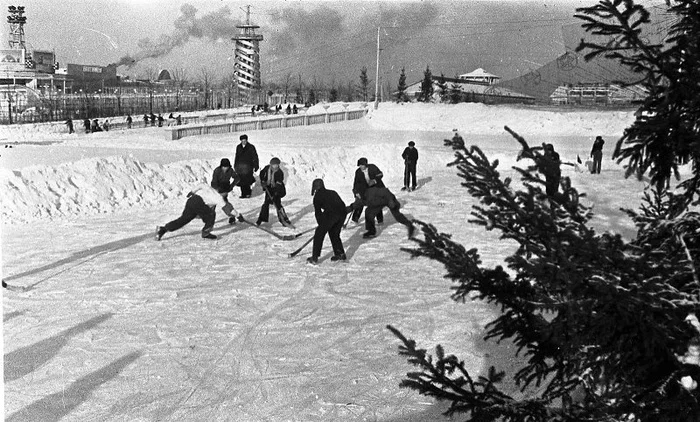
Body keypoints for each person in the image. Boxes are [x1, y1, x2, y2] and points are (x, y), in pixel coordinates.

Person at [156, 183, 242, 241]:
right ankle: (206, 232)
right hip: (199, 203)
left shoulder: (210, 189)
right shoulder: (218, 198)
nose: (226, 195)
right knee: (211, 214)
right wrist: (238, 215)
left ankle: (163, 229)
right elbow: (229, 209)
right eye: (226, 193)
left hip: (192, 200)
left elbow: (201, 185)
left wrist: (192, 191)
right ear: (223, 192)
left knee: (183, 219)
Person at [307, 179, 347, 264]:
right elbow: (340, 205)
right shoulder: (332, 192)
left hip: (332, 215)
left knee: (319, 233)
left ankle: (314, 258)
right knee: (334, 233)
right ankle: (340, 254)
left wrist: (321, 226)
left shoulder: (317, 196)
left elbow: (318, 213)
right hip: (342, 213)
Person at [351, 157, 384, 224]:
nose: (360, 166)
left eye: (362, 165)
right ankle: (355, 219)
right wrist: (356, 192)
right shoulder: (358, 172)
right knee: (360, 201)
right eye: (359, 165)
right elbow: (356, 183)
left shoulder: (373, 167)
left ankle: (380, 220)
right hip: (364, 189)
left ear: (365, 164)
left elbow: (380, 174)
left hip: (376, 187)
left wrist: (374, 181)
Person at [256, 157, 286, 226]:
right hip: (268, 188)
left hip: (277, 190)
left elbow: (279, 184)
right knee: (266, 204)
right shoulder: (267, 168)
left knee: (278, 205)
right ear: (271, 164)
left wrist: (275, 193)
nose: (275, 166)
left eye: (276, 165)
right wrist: (263, 181)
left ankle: (284, 219)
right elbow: (261, 173)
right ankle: (261, 219)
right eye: (273, 164)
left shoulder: (279, 173)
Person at [234, 134, 259, 198]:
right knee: (241, 181)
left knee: (247, 181)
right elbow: (237, 157)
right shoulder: (238, 147)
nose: (243, 142)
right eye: (242, 140)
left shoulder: (251, 147)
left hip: (248, 167)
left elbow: (255, 156)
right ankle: (243, 194)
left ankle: (248, 193)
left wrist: (256, 165)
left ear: (247, 140)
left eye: (245, 140)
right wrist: (235, 165)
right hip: (240, 167)